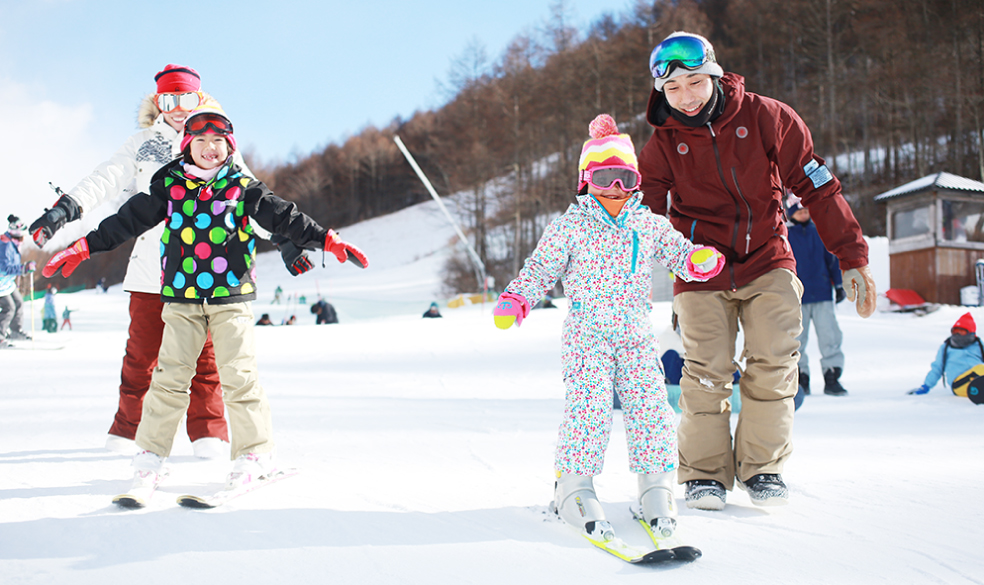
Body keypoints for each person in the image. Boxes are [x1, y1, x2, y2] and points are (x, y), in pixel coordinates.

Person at [42, 106, 369, 495]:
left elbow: (285, 218)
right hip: (180, 299)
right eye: (200, 140)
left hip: (230, 298)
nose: (209, 148)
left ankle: (254, 457)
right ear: (187, 146)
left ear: (229, 146)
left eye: (218, 141)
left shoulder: (243, 187)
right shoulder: (170, 185)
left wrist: (325, 239)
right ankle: (149, 461)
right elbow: (128, 220)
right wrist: (85, 245)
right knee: (168, 379)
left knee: (238, 377)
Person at [638, 32, 877, 509]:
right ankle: (704, 474)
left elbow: (817, 187)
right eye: (673, 89)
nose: (685, 96)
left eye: (693, 82)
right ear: (661, 92)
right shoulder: (662, 143)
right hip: (699, 268)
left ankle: (762, 469)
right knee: (705, 372)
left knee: (774, 361)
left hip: (767, 256)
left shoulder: (766, 117)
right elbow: (643, 215)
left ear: (713, 74)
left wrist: (852, 257)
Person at [27, 65, 310, 458]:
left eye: (187, 99)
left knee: (205, 359)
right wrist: (64, 211)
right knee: (141, 356)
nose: (179, 109)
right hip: (150, 270)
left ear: (200, 99)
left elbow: (250, 196)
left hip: (206, 270)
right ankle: (127, 431)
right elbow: (104, 178)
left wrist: (283, 238)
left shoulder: (216, 139)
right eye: (170, 100)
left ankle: (208, 432)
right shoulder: (143, 143)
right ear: (158, 103)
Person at [493, 114, 725, 543]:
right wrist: (519, 297)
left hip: (635, 334)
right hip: (587, 335)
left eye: (624, 177)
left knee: (652, 406)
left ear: (635, 179)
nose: (615, 189)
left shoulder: (648, 222)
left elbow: (678, 251)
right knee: (590, 408)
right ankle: (574, 486)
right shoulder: (570, 225)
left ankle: (655, 486)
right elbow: (541, 267)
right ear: (586, 180)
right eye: (605, 178)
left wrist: (695, 261)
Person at [786, 194, 848, 396]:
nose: (804, 215)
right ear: (791, 214)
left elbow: (832, 260)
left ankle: (832, 376)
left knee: (829, 335)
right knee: (797, 339)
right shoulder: (786, 236)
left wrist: (838, 285)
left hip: (822, 292)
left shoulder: (820, 232)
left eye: (806, 211)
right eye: (799, 212)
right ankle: (801, 377)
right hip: (797, 297)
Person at [909, 313, 984, 396]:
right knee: (981, 368)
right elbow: (937, 368)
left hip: (978, 380)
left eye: (961, 332)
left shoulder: (979, 346)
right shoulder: (946, 347)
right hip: (959, 385)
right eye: (955, 331)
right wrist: (926, 386)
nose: (957, 335)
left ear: (971, 333)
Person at [0, 216, 36, 347]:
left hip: (7, 283)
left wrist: (24, 267)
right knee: (9, 308)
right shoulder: (5, 245)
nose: (24, 239)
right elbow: (3, 268)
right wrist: (23, 268)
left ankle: (16, 330)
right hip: (1, 283)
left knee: (19, 302)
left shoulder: (12, 244)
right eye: (23, 236)